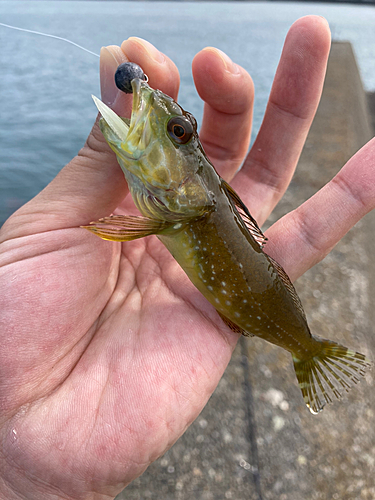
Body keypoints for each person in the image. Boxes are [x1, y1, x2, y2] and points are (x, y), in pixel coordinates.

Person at [0, 15, 374, 500]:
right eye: (181, 132)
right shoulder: (182, 208)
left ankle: (311, 351)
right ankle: (310, 350)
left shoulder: (181, 209)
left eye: (177, 133)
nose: (167, 127)